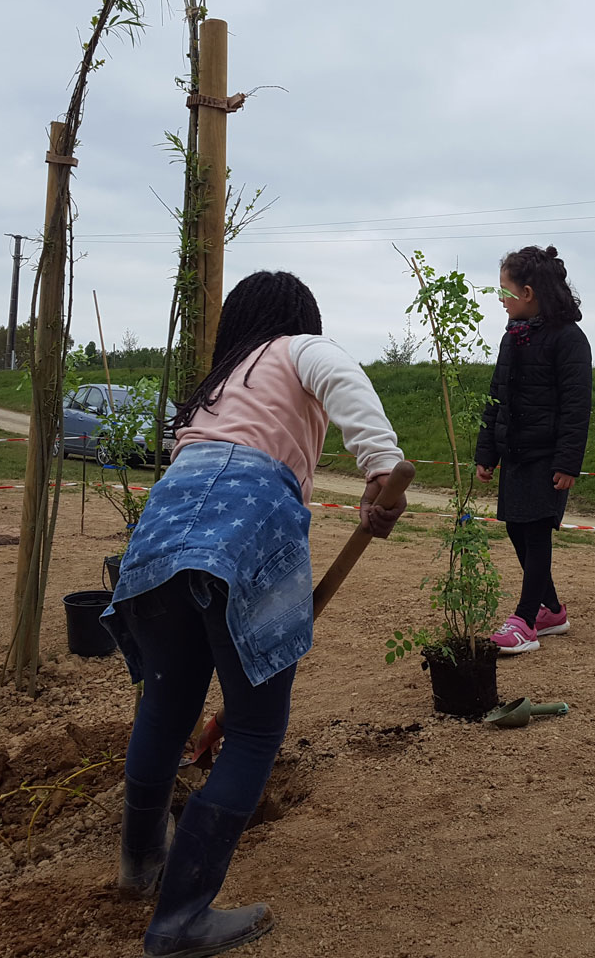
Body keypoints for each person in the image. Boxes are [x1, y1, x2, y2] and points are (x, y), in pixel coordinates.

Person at [102, 270, 406, 957]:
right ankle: (180, 919)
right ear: (298, 320)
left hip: (160, 539)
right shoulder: (298, 348)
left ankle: (140, 865)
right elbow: (346, 380)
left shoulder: (213, 390)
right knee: (257, 728)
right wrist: (380, 468)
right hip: (245, 532)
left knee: (166, 705)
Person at [474, 245, 592, 656]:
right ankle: (553, 610)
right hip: (516, 453)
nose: (500, 298)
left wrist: (567, 462)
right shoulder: (513, 338)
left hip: (548, 457)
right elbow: (496, 396)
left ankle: (525, 621)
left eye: (503, 290)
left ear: (526, 293)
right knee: (516, 528)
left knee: (537, 531)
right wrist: (486, 452)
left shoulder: (570, 340)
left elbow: (578, 408)